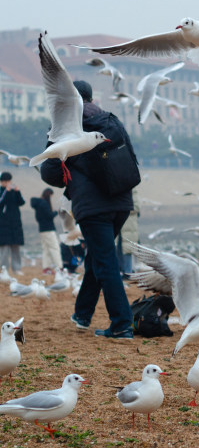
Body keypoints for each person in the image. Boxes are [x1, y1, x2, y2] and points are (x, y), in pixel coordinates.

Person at [40, 80, 137, 339]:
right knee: (97, 257)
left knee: (104, 262)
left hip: (93, 208)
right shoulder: (112, 121)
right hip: (122, 202)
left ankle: (122, 325)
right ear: (91, 97)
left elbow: (50, 173)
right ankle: (82, 314)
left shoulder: (63, 125)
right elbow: (130, 157)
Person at [30, 188, 61, 274]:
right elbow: (49, 216)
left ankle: (46, 268)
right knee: (55, 248)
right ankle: (59, 267)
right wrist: (56, 212)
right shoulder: (44, 204)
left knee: (46, 249)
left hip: (42, 229)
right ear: (49, 195)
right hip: (49, 229)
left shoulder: (38, 204)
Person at [0, 171, 25, 274]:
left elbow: (22, 202)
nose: (7, 183)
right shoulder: (2, 191)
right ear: (1, 182)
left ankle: (17, 269)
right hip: (3, 224)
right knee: (4, 248)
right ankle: (4, 270)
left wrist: (18, 191)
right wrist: (6, 191)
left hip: (15, 224)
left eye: (8, 181)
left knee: (16, 247)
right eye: (5, 181)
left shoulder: (14, 191)